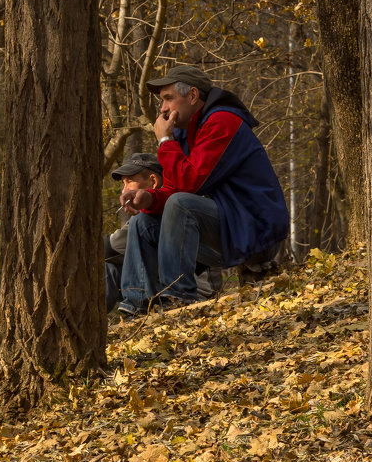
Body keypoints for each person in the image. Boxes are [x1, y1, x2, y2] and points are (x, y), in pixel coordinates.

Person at [116, 65, 288, 315]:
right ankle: (136, 306)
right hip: (229, 228)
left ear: (193, 96)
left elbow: (189, 185)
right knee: (144, 221)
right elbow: (174, 188)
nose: (163, 109)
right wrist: (149, 199)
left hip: (255, 231)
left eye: (168, 99)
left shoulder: (222, 122)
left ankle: (178, 301)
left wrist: (165, 141)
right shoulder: (187, 134)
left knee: (180, 204)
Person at [105, 152, 221, 311]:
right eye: (123, 184)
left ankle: (138, 306)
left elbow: (110, 246)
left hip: (196, 295)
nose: (124, 190)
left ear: (153, 181)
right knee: (108, 268)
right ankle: (83, 323)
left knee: (108, 258)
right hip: (161, 290)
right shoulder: (148, 215)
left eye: (129, 181)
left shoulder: (166, 210)